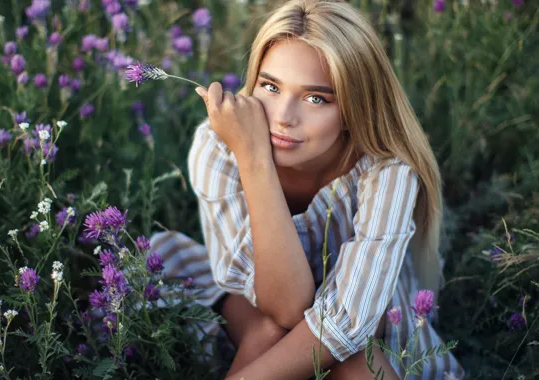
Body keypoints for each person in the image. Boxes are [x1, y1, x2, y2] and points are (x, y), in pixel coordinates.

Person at [150, 0, 465, 378]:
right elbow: (281, 310)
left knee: (356, 363)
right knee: (268, 329)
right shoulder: (221, 147)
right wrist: (253, 160)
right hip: (258, 303)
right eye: (270, 86)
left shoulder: (387, 171)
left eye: (316, 98)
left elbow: (342, 322)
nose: (283, 118)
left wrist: (256, 163)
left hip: (366, 319)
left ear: (354, 107)